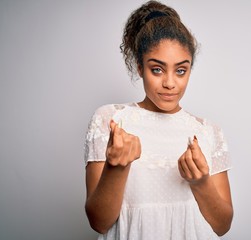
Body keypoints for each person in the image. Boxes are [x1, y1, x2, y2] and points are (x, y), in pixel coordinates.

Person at [84, 1, 233, 239]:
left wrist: (202, 183)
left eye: (181, 71)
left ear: (190, 70)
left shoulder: (206, 131)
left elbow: (222, 225)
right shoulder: (111, 120)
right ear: (139, 67)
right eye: (157, 69)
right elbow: (99, 223)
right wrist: (117, 168)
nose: (170, 83)